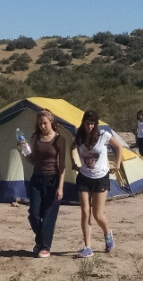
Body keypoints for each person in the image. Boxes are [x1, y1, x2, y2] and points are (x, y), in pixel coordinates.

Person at [71, 110, 122, 258]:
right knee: (85, 212)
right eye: (87, 123)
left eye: (93, 123)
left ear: (96, 124)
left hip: (101, 178)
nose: (90, 126)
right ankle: (87, 247)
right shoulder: (79, 137)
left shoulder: (104, 136)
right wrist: (75, 162)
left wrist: (117, 164)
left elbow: (119, 147)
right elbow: (73, 149)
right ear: (83, 123)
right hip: (84, 177)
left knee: (97, 214)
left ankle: (107, 233)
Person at [20, 109, 67, 258]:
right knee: (34, 214)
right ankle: (41, 240)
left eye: (45, 123)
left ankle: (44, 246)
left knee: (48, 215)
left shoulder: (59, 140)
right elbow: (33, 160)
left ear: (51, 122)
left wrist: (60, 187)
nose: (42, 126)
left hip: (53, 180)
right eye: (40, 124)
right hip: (37, 179)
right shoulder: (35, 138)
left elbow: (62, 166)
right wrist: (23, 151)